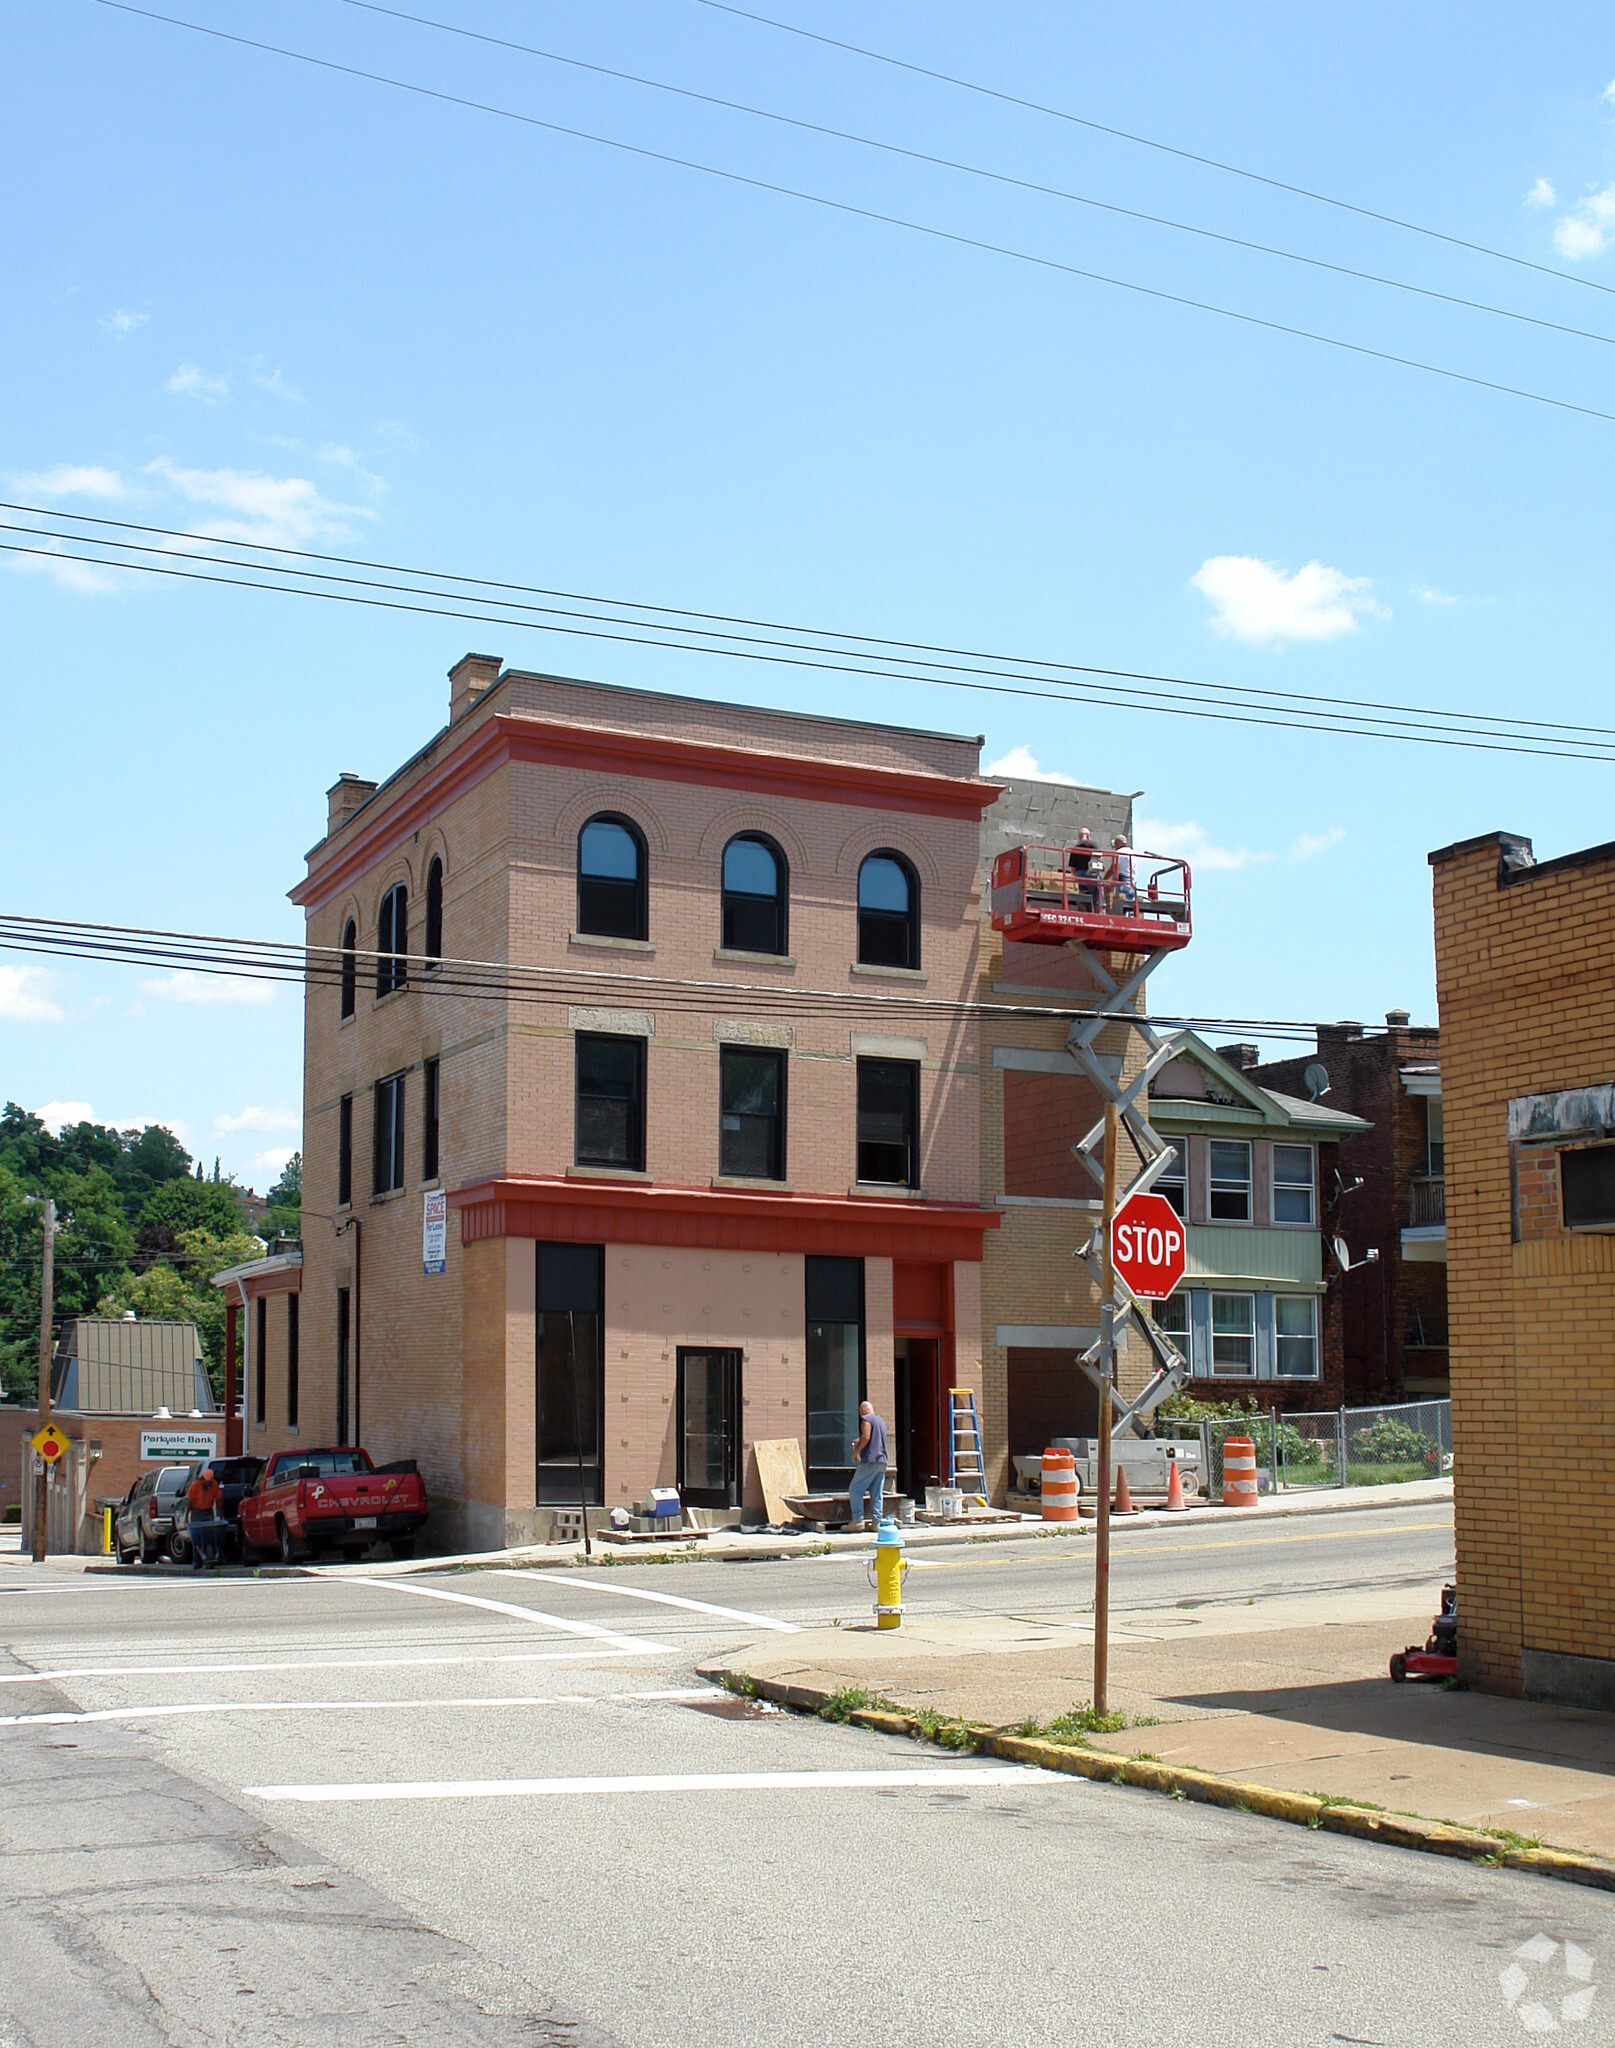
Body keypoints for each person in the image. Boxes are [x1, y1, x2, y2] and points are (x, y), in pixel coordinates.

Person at [846, 1401, 888, 1529]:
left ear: (864, 1410)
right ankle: (876, 1522)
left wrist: (856, 1452)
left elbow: (867, 1436)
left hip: (870, 1460)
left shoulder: (866, 1419)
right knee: (876, 1493)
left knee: (855, 1489)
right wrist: (859, 1441)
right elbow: (873, 1438)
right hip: (882, 1461)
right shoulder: (880, 1421)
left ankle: (857, 1520)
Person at [186, 1465, 224, 1572]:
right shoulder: (195, 1485)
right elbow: (189, 1502)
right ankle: (197, 1561)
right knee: (196, 1538)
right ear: (202, 1479)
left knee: (210, 1536)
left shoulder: (214, 1485)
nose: (208, 1484)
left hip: (208, 1512)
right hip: (196, 1512)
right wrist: (186, 1517)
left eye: (209, 1482)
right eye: (206, 1482)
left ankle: (211, 1558)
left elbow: (219, 1500)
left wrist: (220, 1516)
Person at [1069, 828, 1102, 911]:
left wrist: (1076, 876)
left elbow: (1073, 867)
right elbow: (1100, 860)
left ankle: (1083, 913)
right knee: (1096, 896)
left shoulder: (1075, 847)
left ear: (1080, 836)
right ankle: (1098, 912)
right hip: (1092, 874)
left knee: (1083, 897)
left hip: (1080, 875)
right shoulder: (1093, 845)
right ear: (1087, 835)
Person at [1108, 835, 1136, 914]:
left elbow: (1113, 868)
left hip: (1122, 882)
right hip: (1131, 881)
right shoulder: (1132, 853)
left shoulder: (1118, 853)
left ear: (1117, 843)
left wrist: (1105, 879)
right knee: (1130, 905)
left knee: (1120, 905)